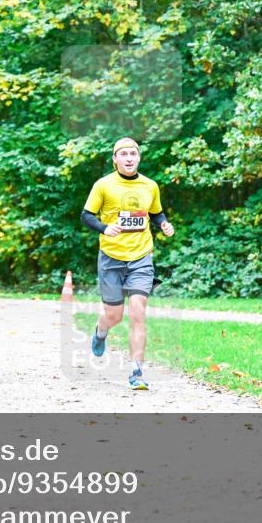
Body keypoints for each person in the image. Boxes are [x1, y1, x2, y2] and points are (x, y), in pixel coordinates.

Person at [81, 138, 174, 390]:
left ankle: (136, 372)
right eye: (124, 154)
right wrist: (104, 228)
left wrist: (163, 224)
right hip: (111, 257)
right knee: (114, 315)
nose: (129, 158)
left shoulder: (150, 186)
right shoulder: (103, 185)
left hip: (141, 257)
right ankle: (100, 332)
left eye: (133, 153)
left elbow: (156, 212)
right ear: (115, 159)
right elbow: (86, 215)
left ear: (139, 157)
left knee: (137, 313)